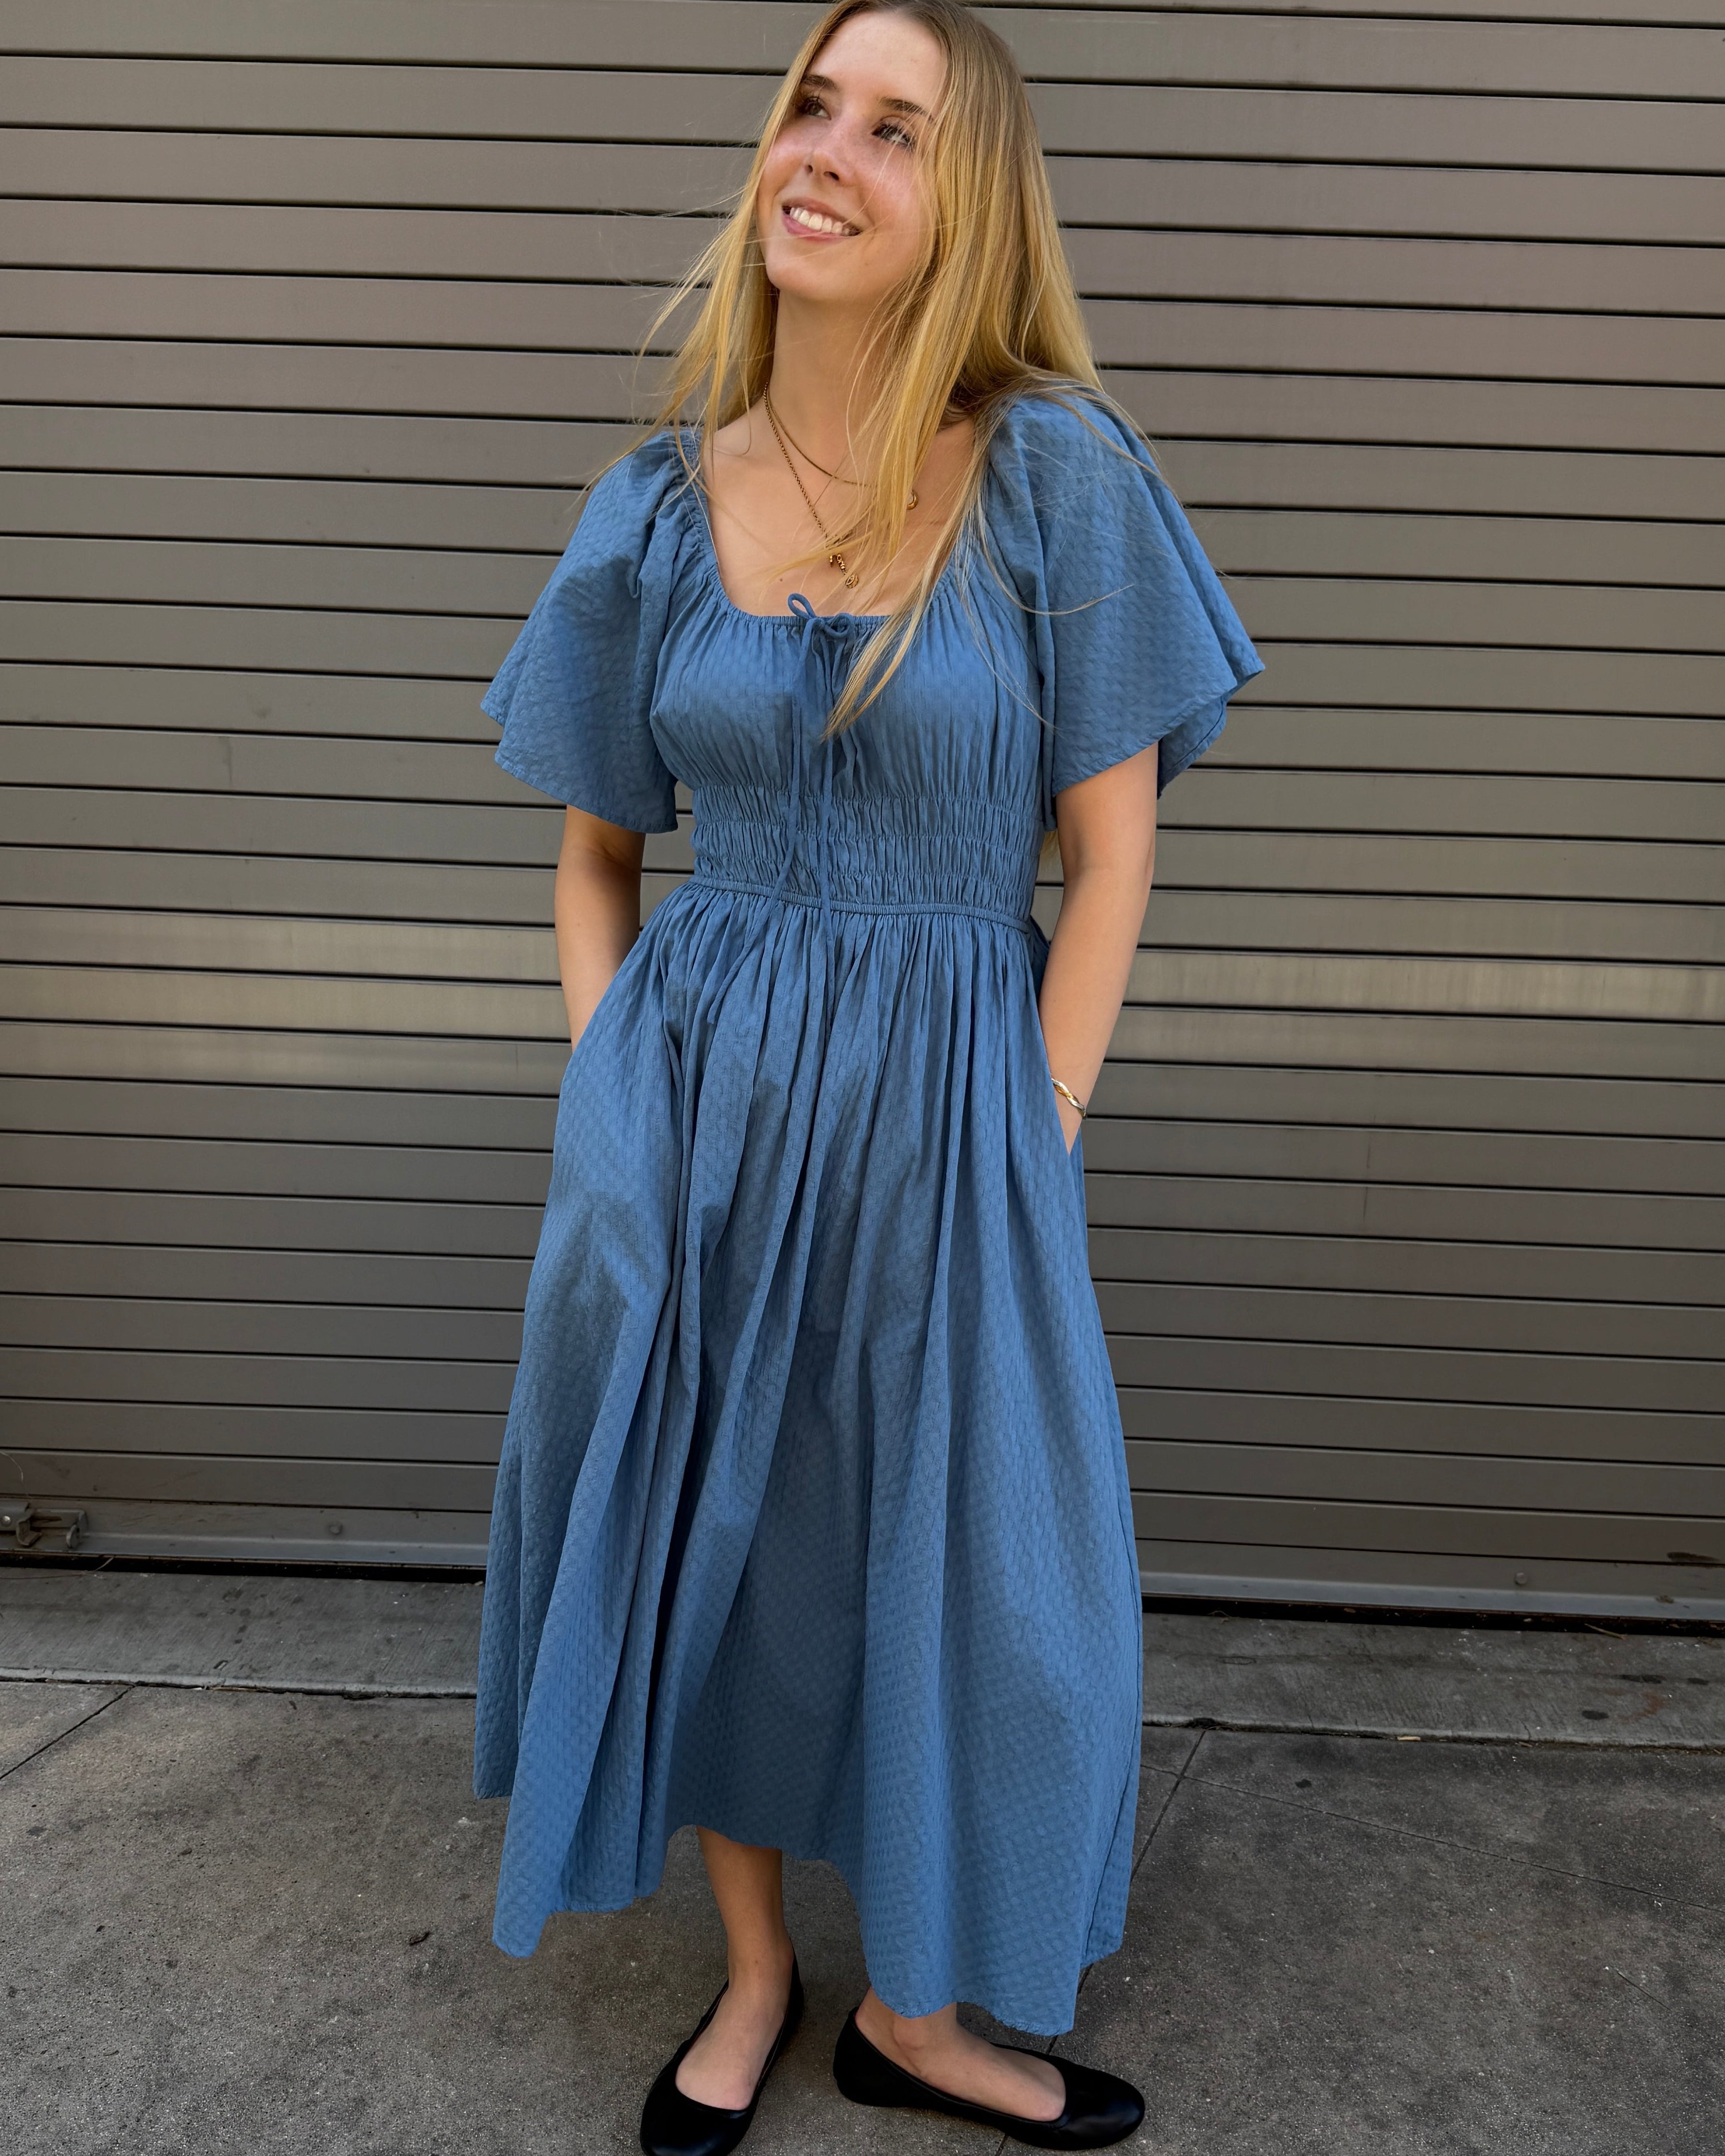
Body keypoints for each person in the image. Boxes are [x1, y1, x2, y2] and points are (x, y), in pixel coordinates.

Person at [471, 2, 1261, 2149]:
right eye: (808, 103)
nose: (822, 149)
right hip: (699, 1089)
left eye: (891, 126)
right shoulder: (658, 501)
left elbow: (1108, 856)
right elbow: (591, 849)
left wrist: (1038, 1123)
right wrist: (613, 1101)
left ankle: (917, 2004)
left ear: (963, 197)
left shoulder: (1055, 473)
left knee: (972, 1567)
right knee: (703, 1536)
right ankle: (751, 1973)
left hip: (953, 1094)